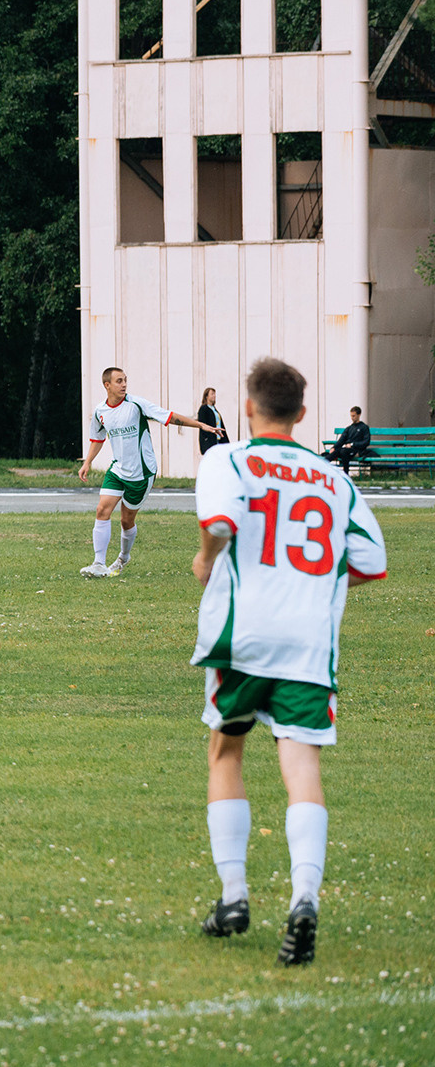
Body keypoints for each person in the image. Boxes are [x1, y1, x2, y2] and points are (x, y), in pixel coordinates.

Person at [190, 356, 386, 967]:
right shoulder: (336, 481)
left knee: (227, 750)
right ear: (302, 414)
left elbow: (220, 521)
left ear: (248, 408)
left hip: (242, 634)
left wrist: (204, 560)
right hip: (307, 642)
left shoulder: (228, 458)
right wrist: (313, 587)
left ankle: (233, 896)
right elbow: (371, 561)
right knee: (300, 763)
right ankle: (304, 897)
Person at [78, 365, 225, 577]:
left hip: (142, 473)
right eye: (119, 381)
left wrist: (200, 425)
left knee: (126, 520)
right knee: (102, 510)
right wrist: (87, 462)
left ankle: (123, 558)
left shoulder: (136, 404)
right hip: (118, 470)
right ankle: (98, 563)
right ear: (107, 385)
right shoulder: (101, 411)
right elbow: (97, 438)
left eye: (126, 380)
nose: (124, 384)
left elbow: (170, 417)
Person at [325, 406, 371, 470]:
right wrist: (334, 447)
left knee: (343, 452)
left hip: (357, 450)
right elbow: (341, 440)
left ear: (359, 415)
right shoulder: (349, 428)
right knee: (335, 452)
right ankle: (321, 466)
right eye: (351, 416)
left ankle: (345, 473)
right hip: (346, 450)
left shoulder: (364, 427)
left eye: (354, 416)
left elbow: (366, 442)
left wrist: (352, 444)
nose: (352, 418)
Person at [197, 387, 228, 457]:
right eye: (212, 394)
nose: (214, 396)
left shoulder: (214, 409)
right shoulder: (203, 409)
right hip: (210, 441)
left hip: (218, 440)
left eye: (215, 394)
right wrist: (206, 440)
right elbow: (202, 425)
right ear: (206, 396)